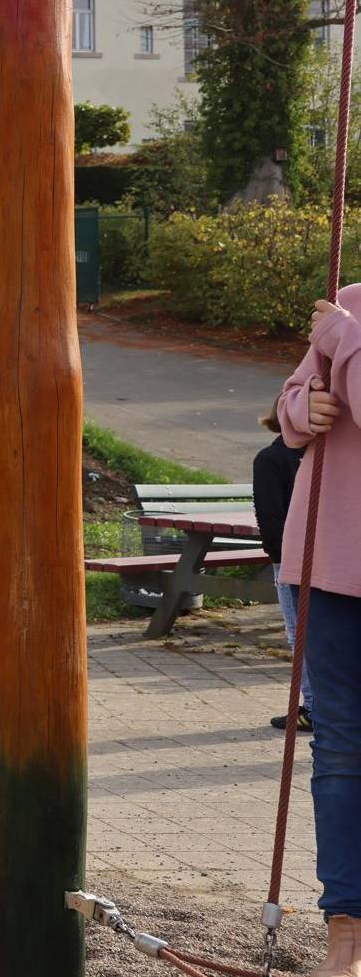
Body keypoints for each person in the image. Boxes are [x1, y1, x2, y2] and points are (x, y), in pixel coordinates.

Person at [277, 285, 358, 977]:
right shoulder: (353, 303)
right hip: (329, 564)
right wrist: (307, 408)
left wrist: (347, 342)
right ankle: (346, 928)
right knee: (338, 750)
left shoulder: (347, 324)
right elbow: (289, 405)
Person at [254, 405, 311, 733]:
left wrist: (278, 557)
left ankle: (312, 706)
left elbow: (270, 517)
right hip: (327, 557)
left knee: (298, 634)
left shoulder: (270, 459)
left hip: (291, 559)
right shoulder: (321, 454)